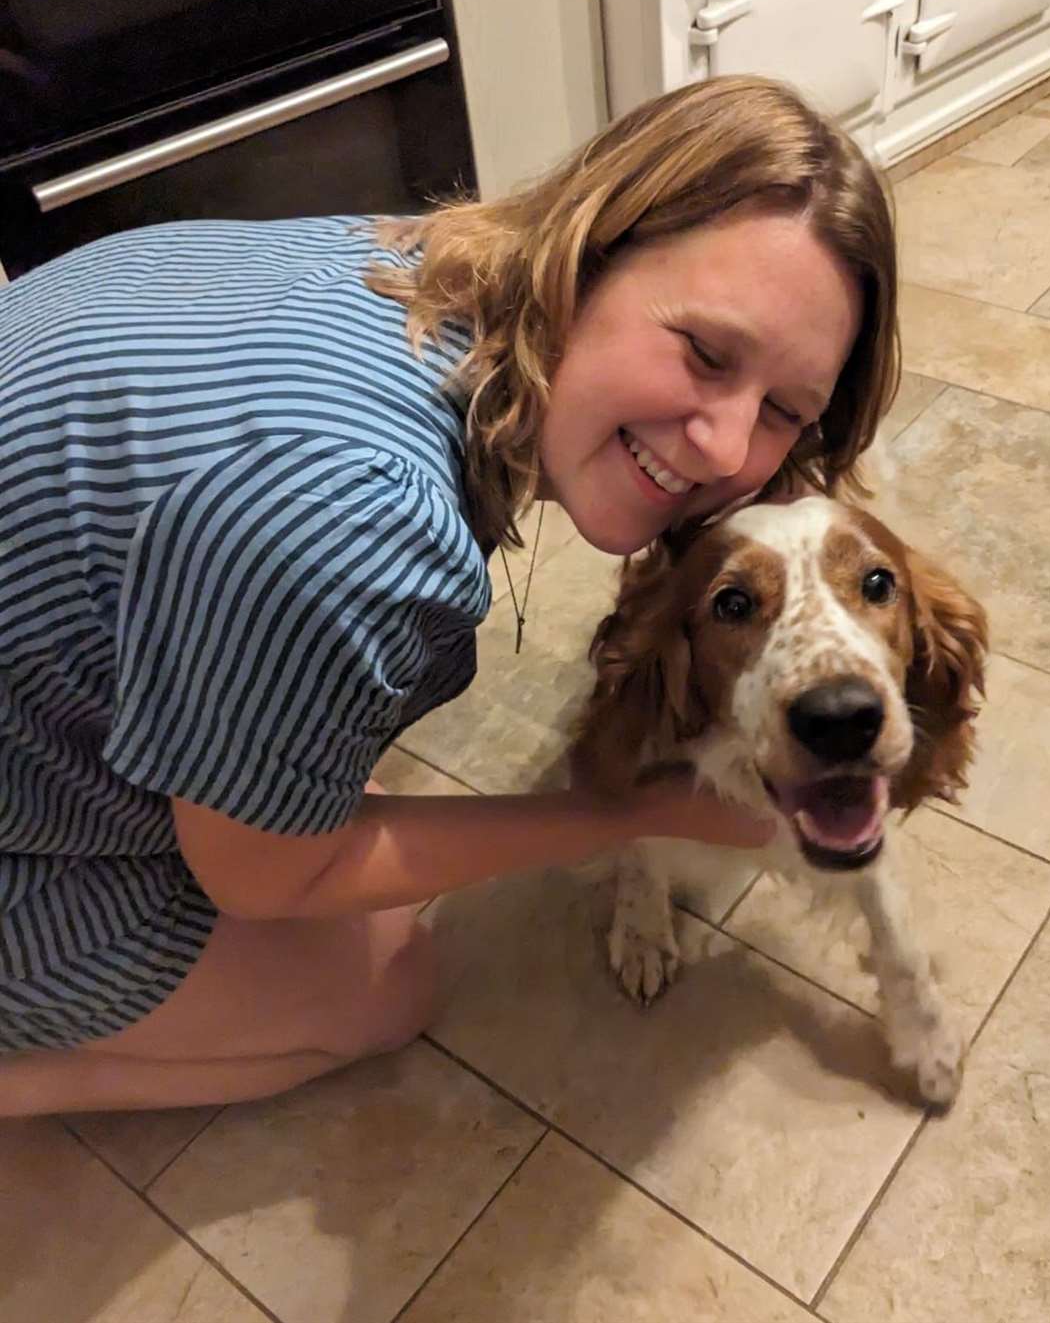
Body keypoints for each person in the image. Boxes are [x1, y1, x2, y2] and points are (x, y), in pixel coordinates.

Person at [0, 75, 899, 1116]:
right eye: (703, 351)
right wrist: (634, 811)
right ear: (591, 249)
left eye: (785, 410)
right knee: (387, 987)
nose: (727, 447)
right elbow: (261, 883)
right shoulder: (361, 513)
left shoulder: (408, 257)